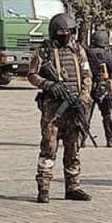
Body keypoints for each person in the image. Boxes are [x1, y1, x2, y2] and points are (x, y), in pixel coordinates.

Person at [27, 13, 93, 204]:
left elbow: (87, 76)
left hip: (74, 108)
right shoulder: (44, 51)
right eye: (62, 32)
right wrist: (49, 85)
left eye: (69, 32)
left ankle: (73, 186)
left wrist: (83, 98)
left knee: (74, 149)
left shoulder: (77, 50)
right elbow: (32, 75)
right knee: (49, 148)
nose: (66, 36)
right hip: (53, 110)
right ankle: (44, 188)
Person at [86, 29, 112, 147]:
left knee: (86, 115)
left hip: (89, 86)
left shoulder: (87, 53)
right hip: (104, 87)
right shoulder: (106, 54)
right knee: (107, 115)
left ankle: (81, 139)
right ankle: (110, 139)